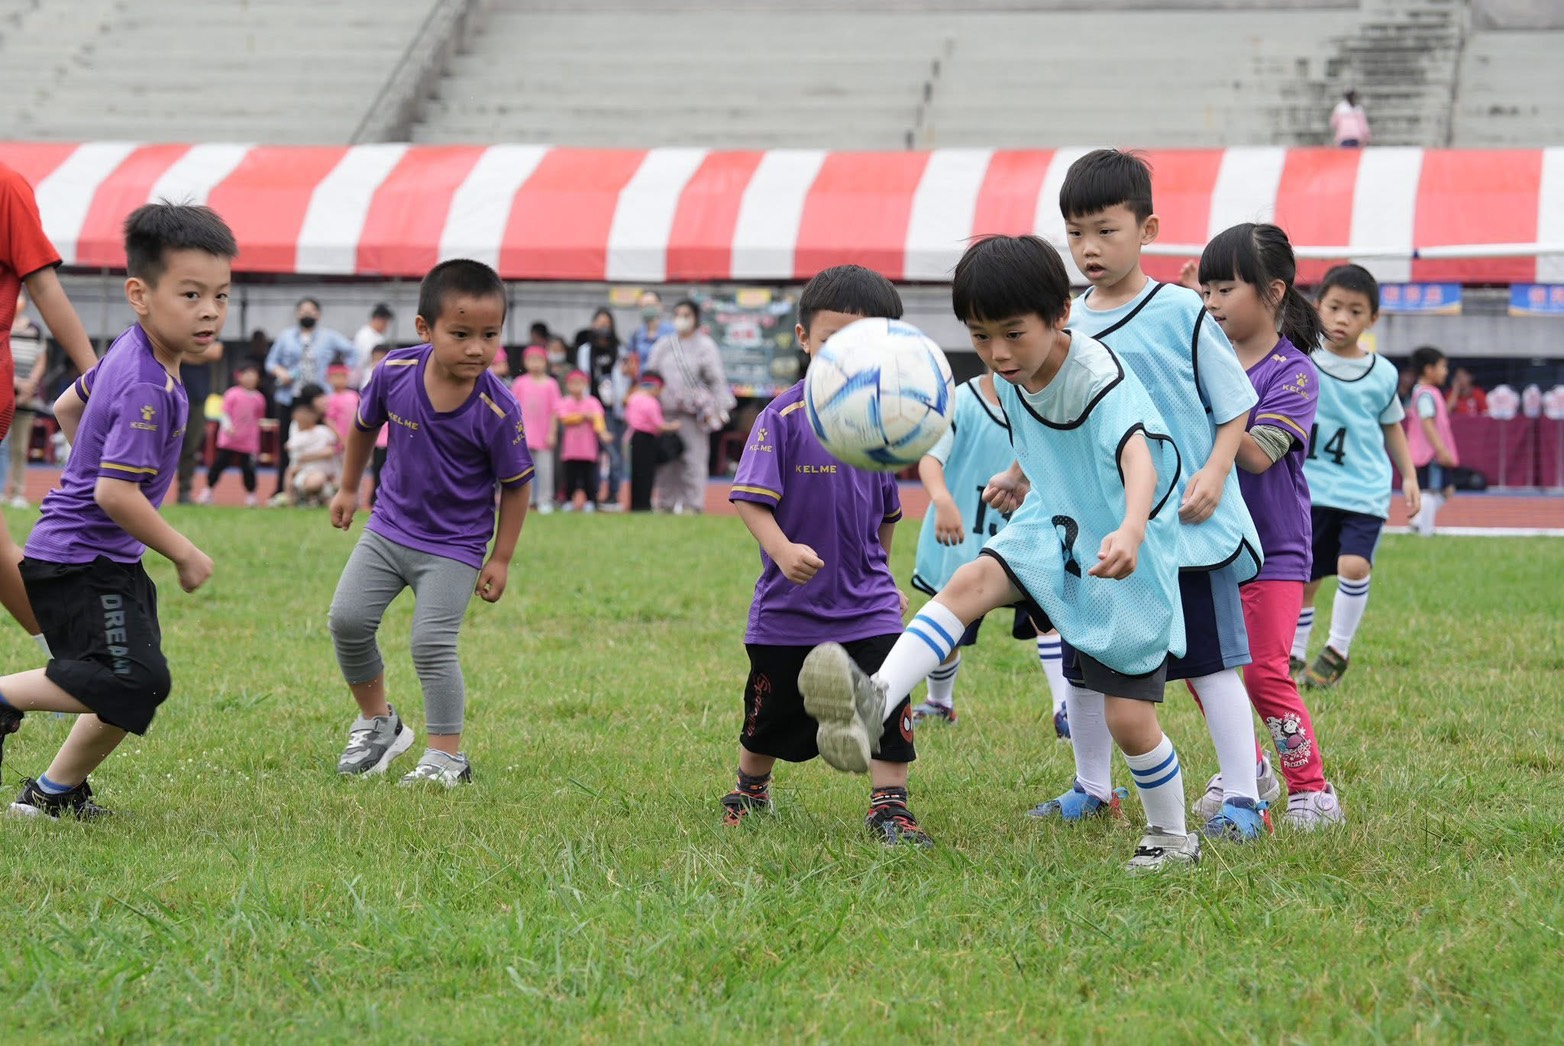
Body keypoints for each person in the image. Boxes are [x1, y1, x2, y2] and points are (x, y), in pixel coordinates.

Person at [798, 242, 1197, 869]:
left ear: (1060, 314)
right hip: (1052, 520)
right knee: (967, 584)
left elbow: (1136, 454)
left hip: (1120, 543)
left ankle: (1172, 837)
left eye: (1013, 333)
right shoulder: (1012, 374)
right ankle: (876, 698)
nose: (998, 353)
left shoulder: (1097, 375)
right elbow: (1045, 434)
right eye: (980, 337)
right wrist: (1018, 473)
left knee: (1129, 719)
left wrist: (1133, 526)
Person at [1049, 149, 1273, 841]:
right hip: (1105, 531)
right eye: (1075, 232)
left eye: (1105, 230)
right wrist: (1024, 477)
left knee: (1211, 663)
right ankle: (1093, 787)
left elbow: (1235, 402)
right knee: (1088, 663)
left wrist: (1217, 470)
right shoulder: (1068, 327)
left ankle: (1245, 799)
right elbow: (1061, 424)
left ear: (1147, 230)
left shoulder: (1181, 311)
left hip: (1187, 524)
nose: (1088, 248)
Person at [0, 202, 231, 817]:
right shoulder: (147, 385)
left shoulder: (131, 351)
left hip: (94, 557)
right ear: (140, 295)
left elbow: (67, 407)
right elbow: (114, 493)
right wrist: (184, 553)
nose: (210, 310)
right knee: (132, 678)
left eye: (221, 296)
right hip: (82, 563)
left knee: (133, 684)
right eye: (191, 294)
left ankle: (52, 795)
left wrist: (91, 462)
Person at [723, 263, 930, 847]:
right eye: (835, 340)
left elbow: (888, 513)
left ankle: (889, 807)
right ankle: (750, 789)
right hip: (789, 610)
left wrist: (883, 577)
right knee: (771, 710)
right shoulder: (782, 419)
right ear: (804, 338)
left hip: (867, 606)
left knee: (887, 692)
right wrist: (782, 549)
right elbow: (750, 500)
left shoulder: (883, 427)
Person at [327, 259, 533, 787]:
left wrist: (501, 558)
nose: (477, 348)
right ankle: (379, 723)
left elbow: (516, 485)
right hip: (388, 528)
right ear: (425, 328)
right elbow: (363, 427)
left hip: (454, 546)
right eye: (461, 334)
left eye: (490, 335)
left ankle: (446, 757)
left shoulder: (498, 409)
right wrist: (348, 488)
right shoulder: (394, 372)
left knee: (430, 644)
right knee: (347, 620)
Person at [1197, 222, 1343, 829]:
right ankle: (1248, 767)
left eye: (1225, 289)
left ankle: (1312, 789)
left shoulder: (1294, 373)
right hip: (1209, 544)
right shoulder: (1200, 358)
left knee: (1262, 672)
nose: (1211, 303)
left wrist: (1203, 414)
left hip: (1274, 550)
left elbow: (1257, 454)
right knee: (1201, 669)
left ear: (1273, 292)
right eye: (1205, 290)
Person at [909, 366, 1071, 737]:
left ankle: (1064, 708)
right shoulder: (961, 401)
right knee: (951, 621)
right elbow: (930, 458)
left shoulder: (1047, 399)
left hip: (1026, 535)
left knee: (1048, 618)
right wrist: (942, 500)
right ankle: (939, 701)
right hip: (965, 535)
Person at [1296, 264, 1421, 690]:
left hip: (1363, 490)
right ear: (1318, 306)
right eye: (1334, 307)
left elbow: (1392, 426)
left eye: (1355, 311)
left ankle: (1338, 648)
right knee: (1306, 577)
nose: (1342, 319)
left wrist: (1409, 475)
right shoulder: (1300, 358)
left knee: (1353, 564)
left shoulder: (1382, 374)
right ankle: (1295, 651)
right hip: (1310, 488)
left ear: (1373, 318)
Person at [0, 160, 101, 654]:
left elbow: (43, 287)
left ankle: (76, 659)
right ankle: (76, 656)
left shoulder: (5, 185)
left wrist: (96, 378)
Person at [647, 299, 734, 514]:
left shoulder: (706, 346)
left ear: (696, 318)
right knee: (666, 460)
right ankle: (665, 503)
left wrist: (721, 408)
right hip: (665, 412)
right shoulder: (663, 345)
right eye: (678, 314)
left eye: (686, 315)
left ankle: (692, 505)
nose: (681, 319)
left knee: (693, 460)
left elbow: (716, 379)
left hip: (693, 415)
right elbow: (650, 376)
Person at [263, 298, 354, 503]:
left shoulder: (329, 337)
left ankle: (328, 488)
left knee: (325, 440)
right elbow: (270, 362)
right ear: (297, 314)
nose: (307, 314)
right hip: (290, 397)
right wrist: (281, 372)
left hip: (318, 398)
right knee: (288, 444)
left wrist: (338, 373)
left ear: (318, 314)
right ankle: (284, 489)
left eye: (312, 310)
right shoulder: (286, 336)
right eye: (303, 310)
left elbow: (352, 352)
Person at [577, 309, 629, 508]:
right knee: (593, 454)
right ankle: (594, 493)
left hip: (612, 410)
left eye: (606, 323)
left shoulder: (620, 350)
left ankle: (614, 493)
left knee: (614, 453)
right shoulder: (585, 351)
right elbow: (582, 378)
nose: (602, 327)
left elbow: (626, 378)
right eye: (599, 323)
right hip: (592, 409)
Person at [1407, 345, 1459, 537]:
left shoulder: (1428, 392)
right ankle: (1425, 531)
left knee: (1447, 490)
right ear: (1429, 370)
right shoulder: (1426, 394)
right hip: (1430, 454)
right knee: (1431, 491)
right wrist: (1440, 450)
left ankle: (1418, 521)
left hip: (1431, 453)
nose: (1445, 372)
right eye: (1442, 367)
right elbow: (1427, 422)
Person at [201, 360, 265, 507]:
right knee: (218, 465)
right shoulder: (232, 394)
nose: (250, 378)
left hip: (248, 442)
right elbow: (224, 413)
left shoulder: (259, 398)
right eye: (246, 374)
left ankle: (251, 495)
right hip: (229, 440)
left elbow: (258, 417)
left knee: (249, 469)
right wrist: (228, 426)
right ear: (239, 376)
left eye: (253, 374)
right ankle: (208, 490)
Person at [6, 290, 46, 507]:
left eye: (21, 297)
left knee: (20, 448)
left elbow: (41, 359)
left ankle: (18, 492)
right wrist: (14, 382)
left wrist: (30, 384)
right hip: (4, 391)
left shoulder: (35, 329)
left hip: (27, 396)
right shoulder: (4, 327)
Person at [622, 370, 680, 512]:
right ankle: (644, 504)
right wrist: (674, 426)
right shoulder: (651, 402)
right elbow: (659, 424)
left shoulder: (632, 399)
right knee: (646, 473)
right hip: (647, 439)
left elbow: (627, 418)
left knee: (636, 473)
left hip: (634, 437)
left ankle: (635, 504)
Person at [511, 346, 560, 514]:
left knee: (545, 469)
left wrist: (552, 432)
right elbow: (512, 409)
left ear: (545, 362)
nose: (535, 363)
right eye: (531, 360)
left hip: (544, 433)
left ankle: (545, 499)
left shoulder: (551, 384)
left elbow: (555, 411)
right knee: (524, 469)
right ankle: (527, 500)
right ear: (524, 362)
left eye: (539, 359)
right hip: (523, 434)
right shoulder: (519, 383)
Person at [554, 369, 607, 512]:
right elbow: (564, 418)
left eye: (580, 383)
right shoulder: (565, 402)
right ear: (568, 385)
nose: (576, 386)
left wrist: (603, 433)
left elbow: (598, 419)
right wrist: (582, 416)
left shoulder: (593, 402)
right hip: (570, 449)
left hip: (588, 449)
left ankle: (591, 501)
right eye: (573, 383)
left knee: (590, 477)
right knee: (570, 477)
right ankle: (568, 500)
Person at [282, 396, 337, 507]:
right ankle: (293, 499)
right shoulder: (303, 436)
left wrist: (307, 456)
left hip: (320, 471)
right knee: (290, 473)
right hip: (307, 471)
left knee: (322, 484)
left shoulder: (320, 432)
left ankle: (305, 498)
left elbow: (331, 449)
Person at [365, 343, 391, 507]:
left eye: (381, 359)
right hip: (377, 438)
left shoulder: (394, 381)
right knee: (377, 468)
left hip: (391, 437)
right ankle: (374, 498)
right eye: (375, 359)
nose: (377, 363)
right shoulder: (369, 381)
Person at [626, 290, 673, 370]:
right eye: (645, 306)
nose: (649, 309)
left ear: (660, 306)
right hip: (643, 377)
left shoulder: (673, 332)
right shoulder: (636, 335)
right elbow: (630, 359)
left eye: (652, 305)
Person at [352, 303, 393, 384]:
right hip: (365, 375)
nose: (386, 326)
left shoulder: (378, 336)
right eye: (385, 322)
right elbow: (366, 360)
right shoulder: (364, 335)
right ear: (378, 319)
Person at [323, 363, 359, 451]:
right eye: (336, 376)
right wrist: (341, 439)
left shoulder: (354, 395)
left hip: (356, 437)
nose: (340, 379)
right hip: (340, 443)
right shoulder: (330, 398)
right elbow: (329, 421)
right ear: (328, 379)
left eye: (343, 376)